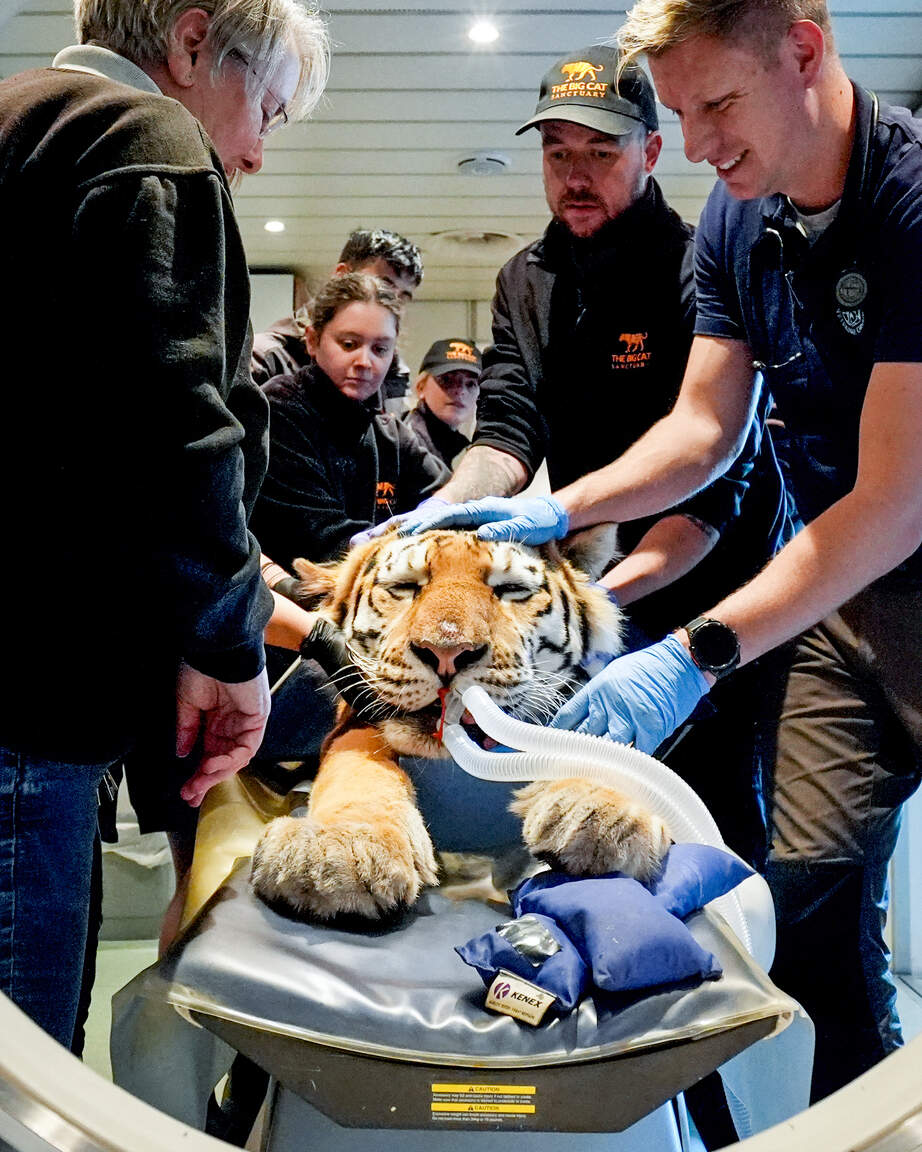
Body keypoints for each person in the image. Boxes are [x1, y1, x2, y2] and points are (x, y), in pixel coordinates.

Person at [400, 0, 922, 1104]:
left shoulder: (910, 204)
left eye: (715, 106)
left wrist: (685, 649)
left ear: (805, 48)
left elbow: (892, 501)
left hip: (858, 555)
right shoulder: (738, 221)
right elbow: (699, 430)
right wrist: (551, 513)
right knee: (806, 897)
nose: (696, 146)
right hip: (835, 604)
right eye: (679, 114)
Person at [0, 0, 328, 1048]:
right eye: (265, 109)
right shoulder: (142, 138)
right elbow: (175, 424)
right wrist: (227, 643)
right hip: (28, 708)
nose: (256, 155)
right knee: (25, 1072)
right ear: (191, 44)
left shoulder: (17, 126)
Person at [382, 45, 791, 872]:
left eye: (600, 153)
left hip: (724, 585)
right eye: (557, 153)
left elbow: (719, 473)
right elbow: (506, 432)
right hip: (607, 589)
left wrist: (603, 591)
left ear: (650, 150)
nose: (576, 175)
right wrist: (445, 513)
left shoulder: (697, 262)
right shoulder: (524, 280)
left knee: (723, 830)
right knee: (602, 820)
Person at [251, 272, 449, 569]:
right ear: (312, 341)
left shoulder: (390, 435)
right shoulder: (278, 410)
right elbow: (326, 540)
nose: (365, 362)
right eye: (348, 344)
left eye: (380, 349)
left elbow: (450, 503)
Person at [250, 228, 424, 394]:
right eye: (383, 286)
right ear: (341, 275)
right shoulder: (265, 357)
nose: (389, 303)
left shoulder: (394, 373)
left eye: (402, 298)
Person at [402, 339, 482, 468]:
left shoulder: (451, 445)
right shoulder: (408, 443)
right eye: (447, 380)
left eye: (471, 384)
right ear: (421, 387)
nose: (460, 391)